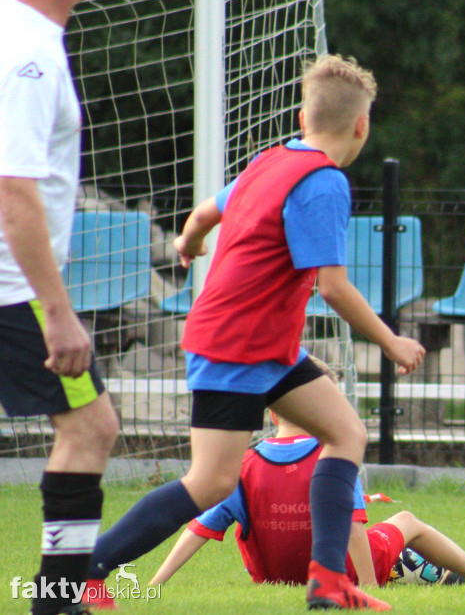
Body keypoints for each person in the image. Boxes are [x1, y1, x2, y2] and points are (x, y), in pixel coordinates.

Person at [83, 54, 426, 612]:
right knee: (212, 483)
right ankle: (88, 570)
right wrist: (391, 341)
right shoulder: (325, 184)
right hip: (235, 346)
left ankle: (328, 581)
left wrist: (189, 244)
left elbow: (203, 215)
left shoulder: (270, 162)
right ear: (362, 126)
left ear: (302, 118)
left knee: (346, 433)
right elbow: (333, 287)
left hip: (267, 347)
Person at [149, 364, 465, 590]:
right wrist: (368, 589)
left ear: (273, 414)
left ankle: (427, 570)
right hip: (340, 576)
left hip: (271, 578)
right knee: (406, 521)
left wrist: (155, 584)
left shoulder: (242, 465)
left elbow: (198, 530)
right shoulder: (336, 456)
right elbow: (353, 527)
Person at [0, 0, 121, 614]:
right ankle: (56, 603)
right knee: (90, 426)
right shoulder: (31, 56)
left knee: (90, 425)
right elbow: (13, 192)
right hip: (13, 289)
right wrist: (58, 311)